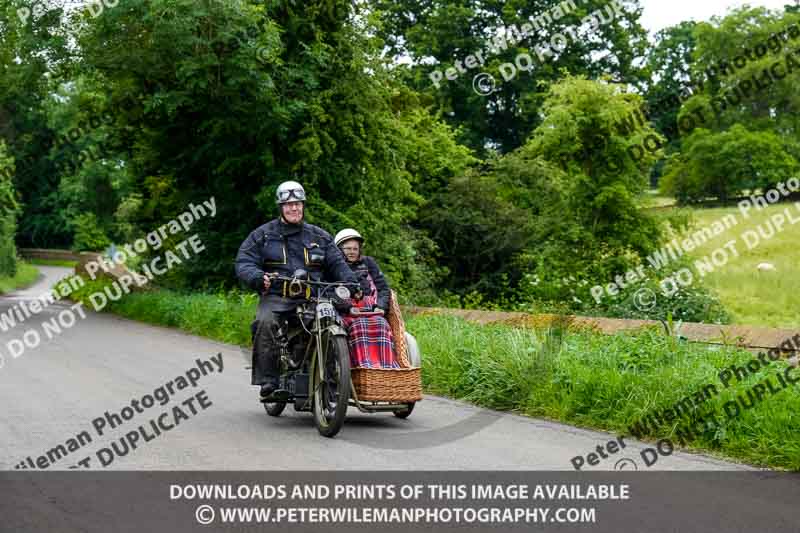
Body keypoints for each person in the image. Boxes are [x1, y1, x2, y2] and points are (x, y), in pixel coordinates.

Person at [235, 181, 359, 400]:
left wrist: (352, 283)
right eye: (289, 204)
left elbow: (338, 264)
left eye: (298, 204)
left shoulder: (320, 237)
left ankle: (333, 379)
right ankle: (270, 380)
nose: (294, 208)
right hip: (277, 295)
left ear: (303, 206)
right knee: (265, 322)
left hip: (314, 296)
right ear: (281, 207)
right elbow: (244, 261)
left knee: (333, 323)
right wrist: (256, 277)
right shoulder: (263, 235)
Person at [334, 228, 400, 369]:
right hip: (347, 311)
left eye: (355, 248)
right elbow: (330, 292)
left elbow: (383, 289)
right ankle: (363, 367)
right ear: (339, 249)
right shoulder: (334, 267)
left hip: (371, 310)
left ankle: (385, 368)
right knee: (359, 326)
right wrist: (347, 307)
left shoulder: (368, 263)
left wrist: (380, 307)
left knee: (382, 324)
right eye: (347, 249)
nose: (352, 251)